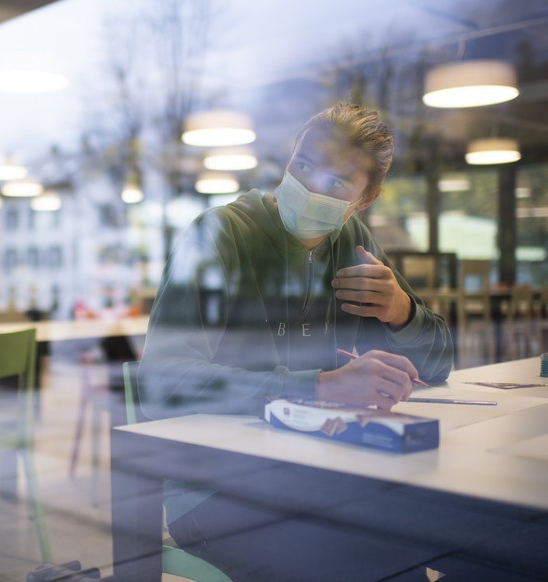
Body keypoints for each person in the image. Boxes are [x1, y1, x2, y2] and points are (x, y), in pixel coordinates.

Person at [137, 102, 454, 580]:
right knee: (381, 561)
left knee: (482, 540)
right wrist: (320, 387)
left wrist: (400, 311)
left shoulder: (354, 242)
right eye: (304, 166)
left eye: (336, 183)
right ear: (289, 157)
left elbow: (441, 364)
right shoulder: (221, 234)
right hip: (220, 487)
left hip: (326, 469)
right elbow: (162, 382)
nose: (310, 188)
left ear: (364, 200)